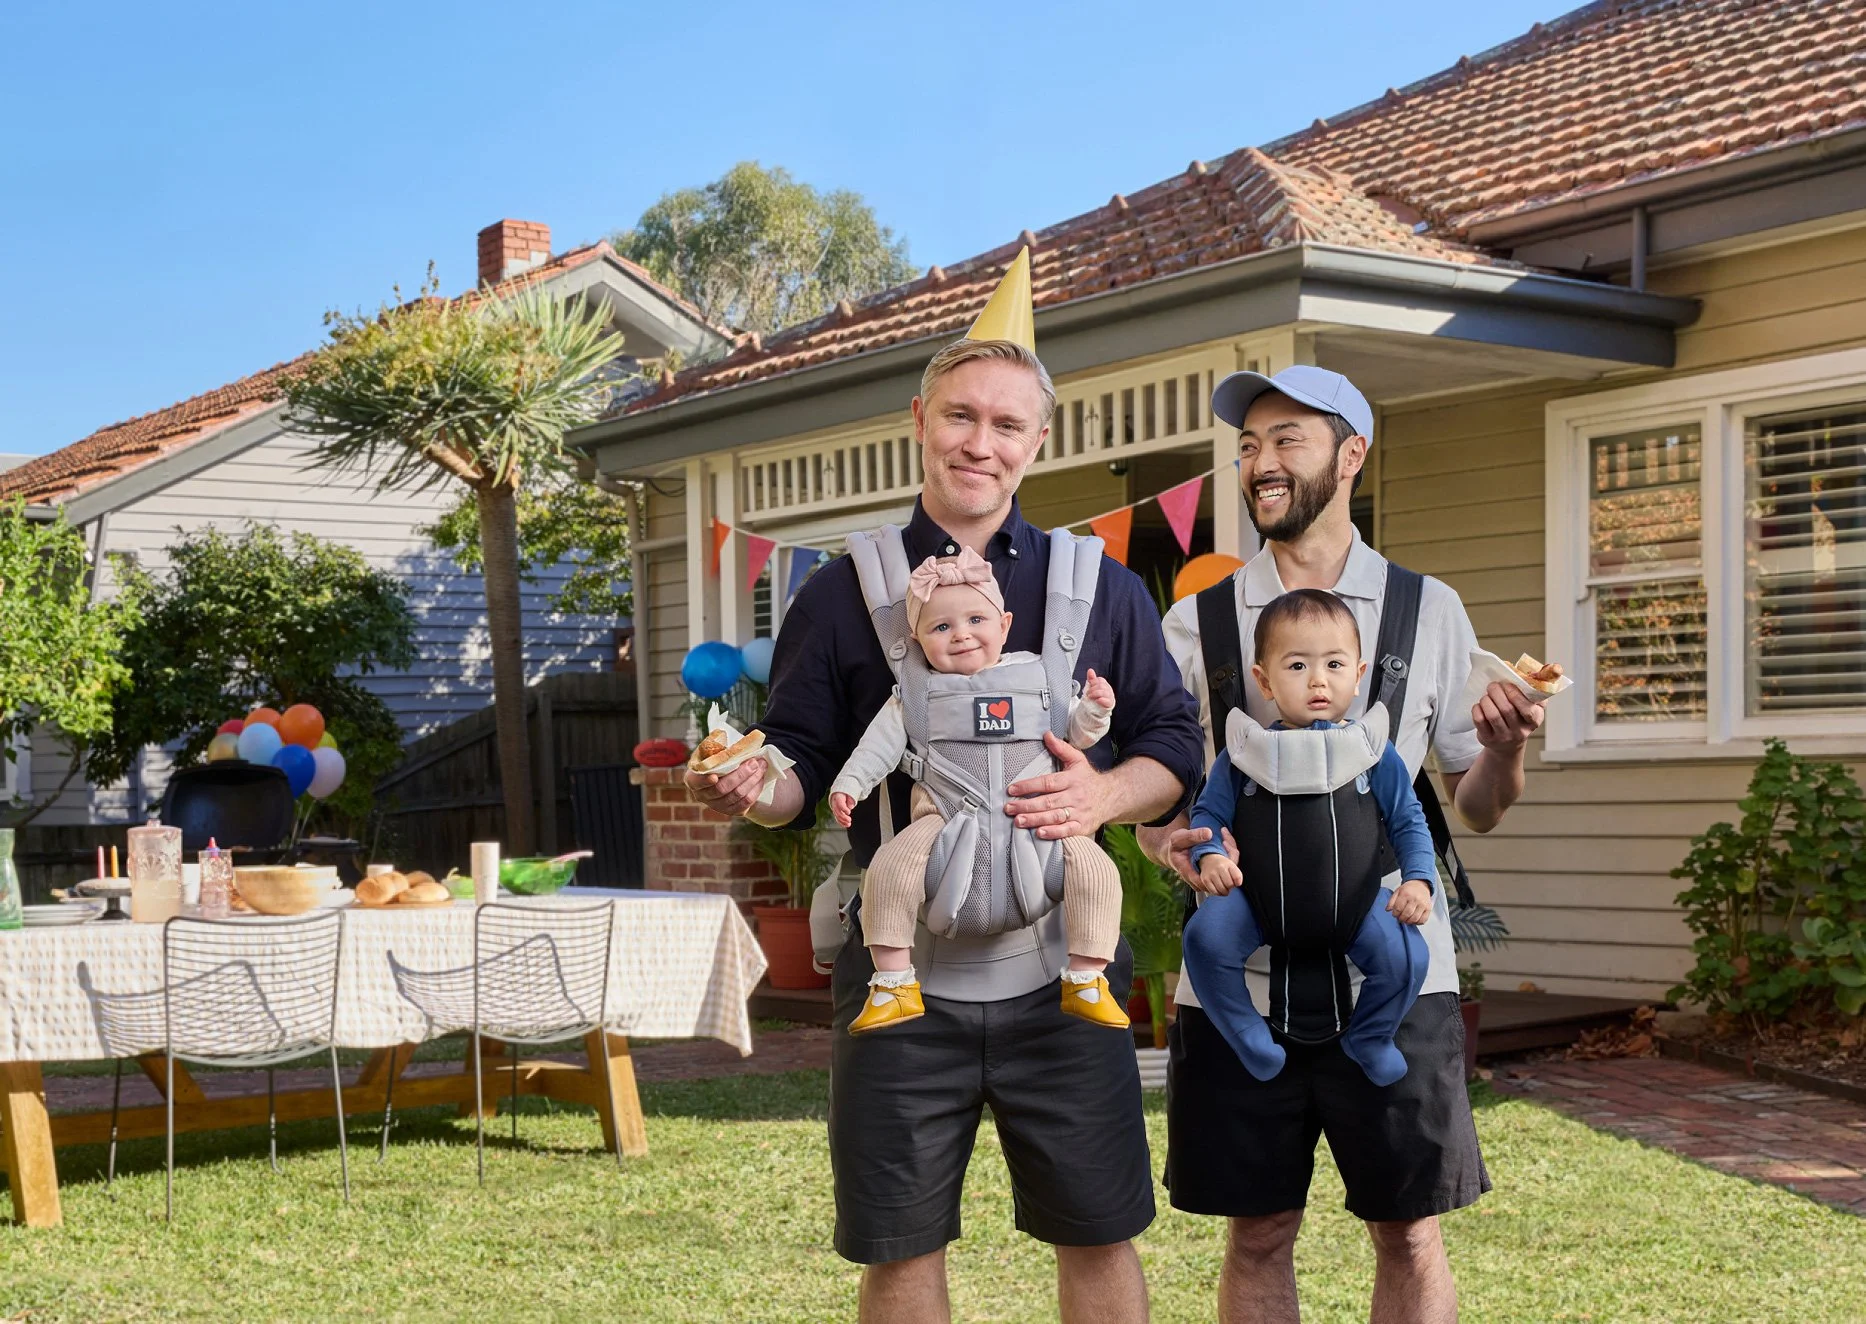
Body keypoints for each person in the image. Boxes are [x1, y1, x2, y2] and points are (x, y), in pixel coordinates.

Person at [686, 249, 1206, 1324]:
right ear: (920, 417)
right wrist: (754, 785)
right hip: (900, 976)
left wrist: (1101, 800)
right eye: (963, 415)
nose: (982, 442)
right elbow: (802, 769)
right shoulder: (839, 594)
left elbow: (1172, 746)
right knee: (900, 1239)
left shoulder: (1096, 584)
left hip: (1067, 970)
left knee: (1100, 1229)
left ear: (1038, 442)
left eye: (1008, 424)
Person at [1143, 365, 1550, 1324]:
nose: (1261, 464)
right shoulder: (1194, 623)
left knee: (1409, 1230)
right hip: (1237, 981)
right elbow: (1162, 799)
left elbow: (1480, 805)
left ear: (1351, 454)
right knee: (1257, 1232)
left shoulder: (1426, 610)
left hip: (1397, 974)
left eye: (1288, 440)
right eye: (1248, 447)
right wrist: (1173, 842)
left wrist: (1506, 751)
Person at [828, 547, 1129, 1033]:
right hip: (943, 825)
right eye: (941, 627)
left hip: (1037, 829)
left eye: (975, 619)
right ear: (917, 640)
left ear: (1005, 625)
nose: (961, 634)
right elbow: (876, 748)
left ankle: (1088, 979)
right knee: (887, 869)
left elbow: (1076, 733)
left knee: (1096, 871)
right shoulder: (918, 693)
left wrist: (1095, 708)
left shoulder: (1040, 678)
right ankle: (892, 981)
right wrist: (850, 785)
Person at [1182, 588, 1434, 1087]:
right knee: (1205, 939)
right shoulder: (1242, 755)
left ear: (1359, 675)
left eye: (1335, 664)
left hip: (1357, 906)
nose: (1318, 680)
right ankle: (1246, 1033)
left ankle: (1371, 1036)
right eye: (1297, 666)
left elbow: (1409, 820)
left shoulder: (1373, 754)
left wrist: (1420, 881)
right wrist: (1210, 855)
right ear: (1264, 680)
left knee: (1409, 955)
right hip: (1256, 903)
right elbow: (1207, 814)